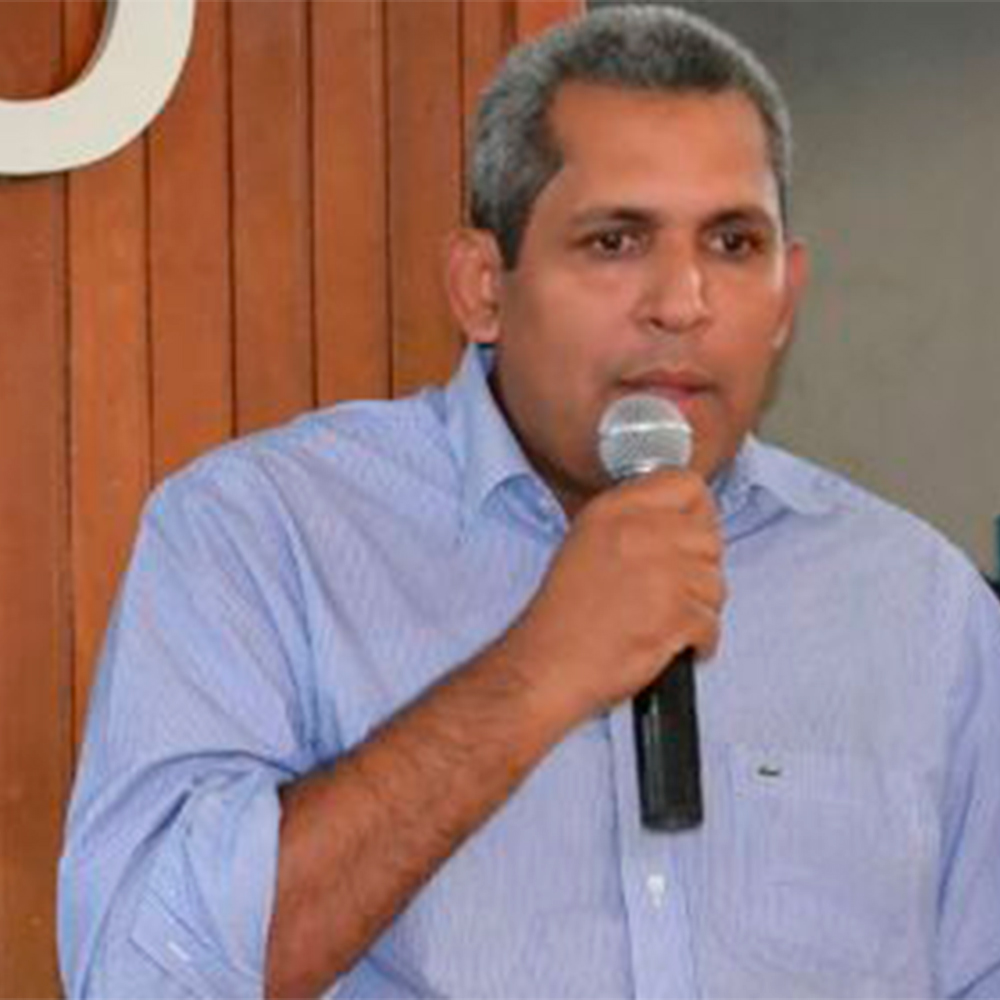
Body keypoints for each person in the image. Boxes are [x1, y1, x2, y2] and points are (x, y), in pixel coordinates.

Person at [59, 6, 1000, 998]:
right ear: (481, 288)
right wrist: (537, 671)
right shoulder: (260, 535)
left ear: (785, 296)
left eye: (732, 242)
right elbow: (138, 979)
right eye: (615, 240)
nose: (682, 301)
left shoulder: (922, 605)